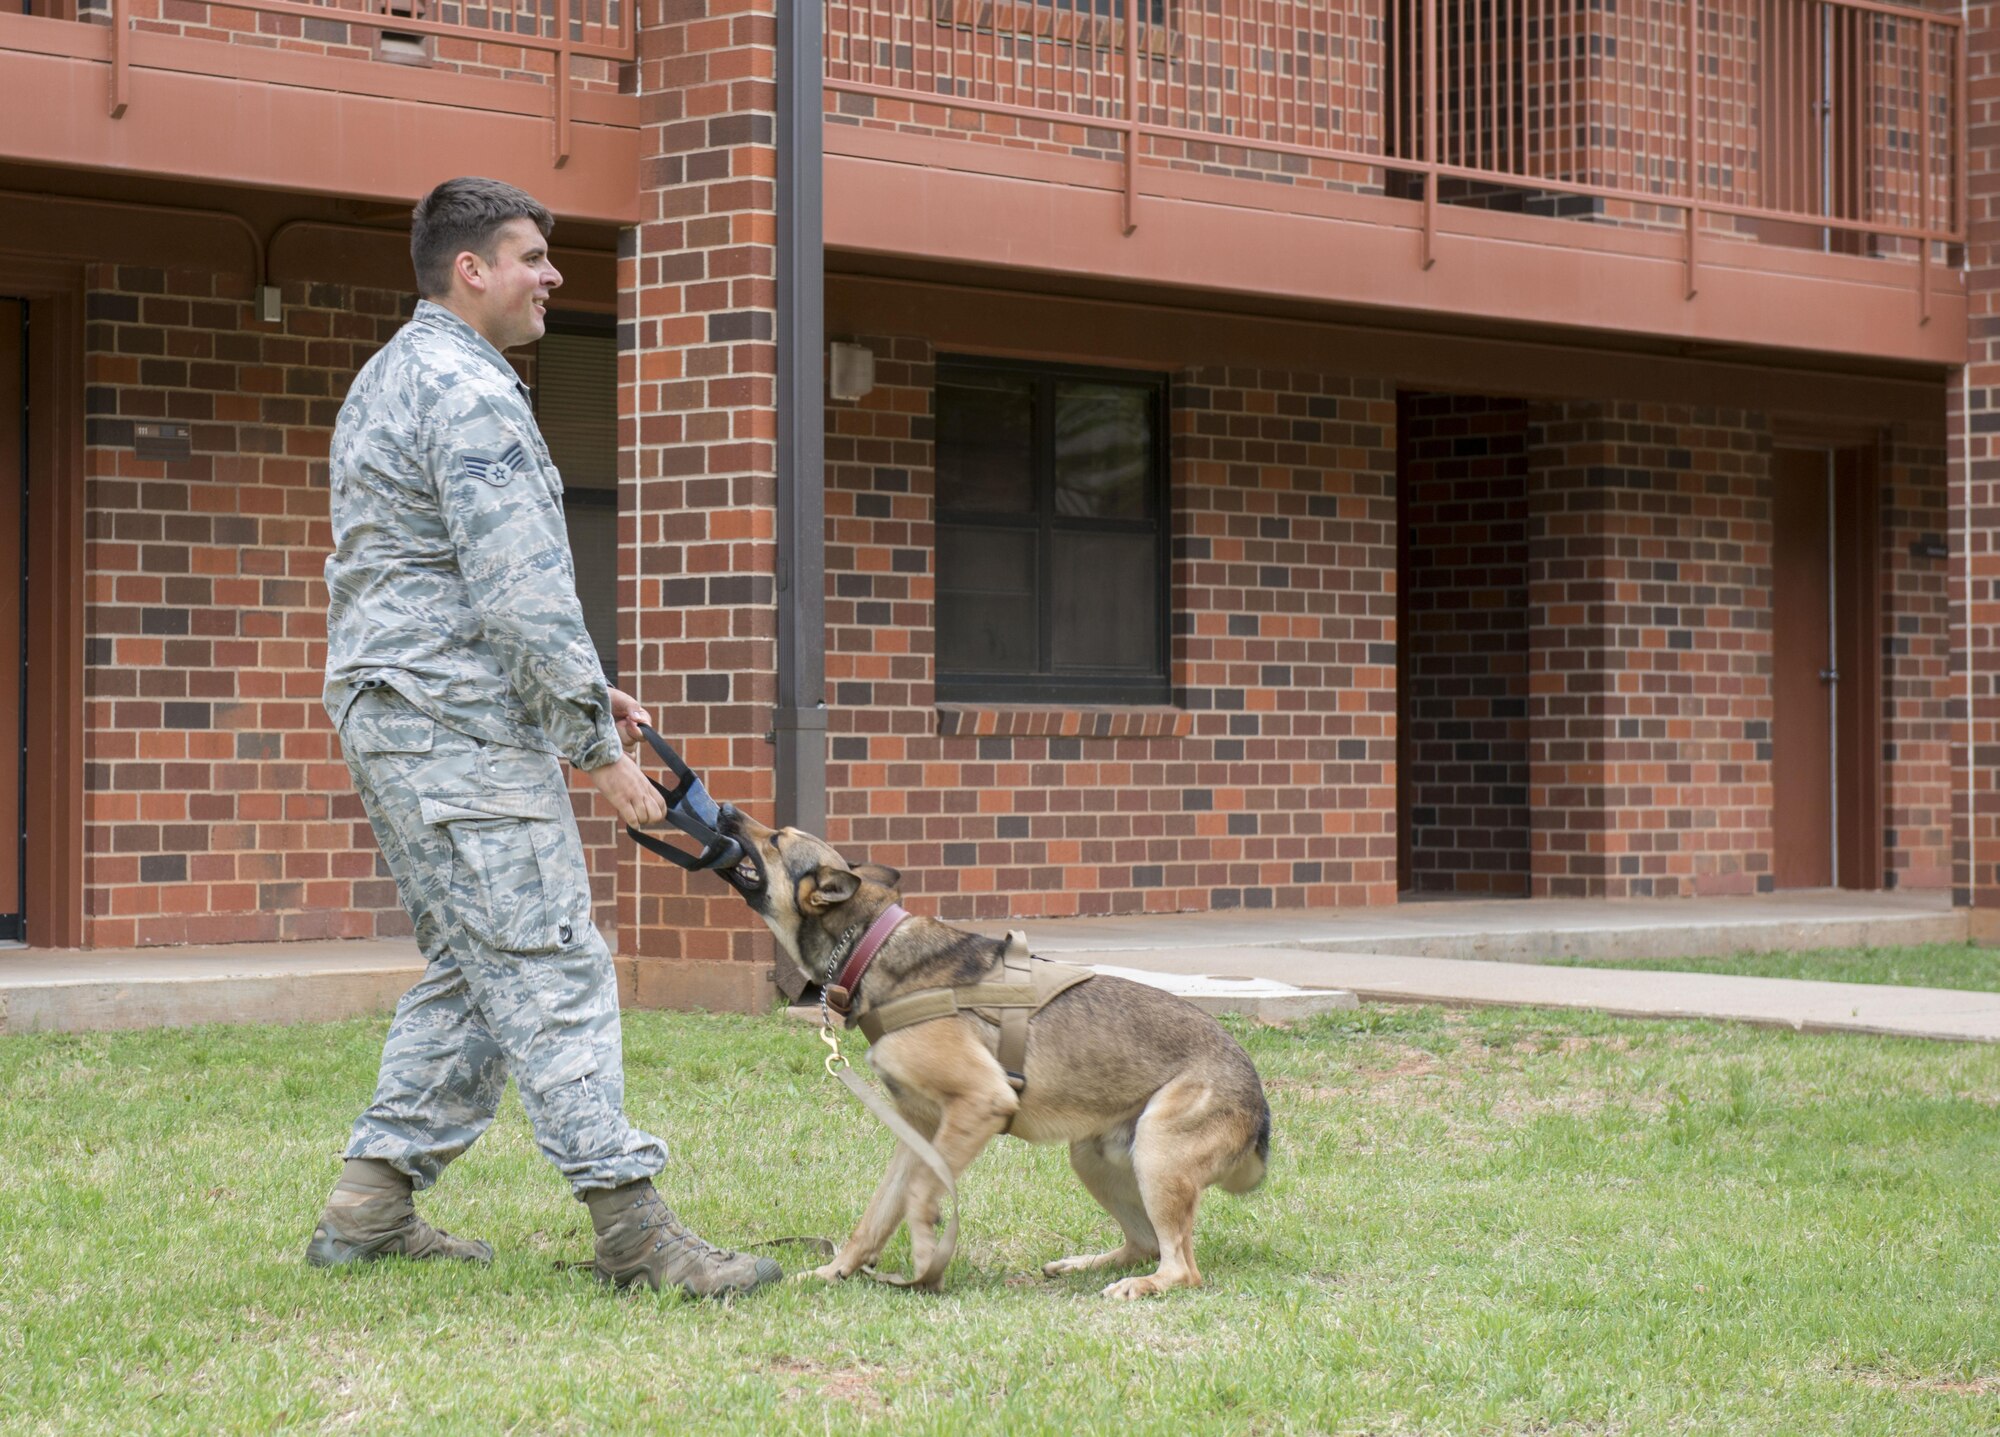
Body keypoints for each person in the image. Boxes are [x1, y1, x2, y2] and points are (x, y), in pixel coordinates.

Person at [306, 176, 779, 1301]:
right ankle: (634, 1231)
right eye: (529, 257)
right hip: (454, 723)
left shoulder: (393, 376)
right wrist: (594, 745)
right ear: (470, 270)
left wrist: (586, 690)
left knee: (479, 964)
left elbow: (452, 581)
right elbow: (514, 588)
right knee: (552, 960)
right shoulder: (467, 390)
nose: (552, 276)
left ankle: (368, 1209)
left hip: (407, 708)